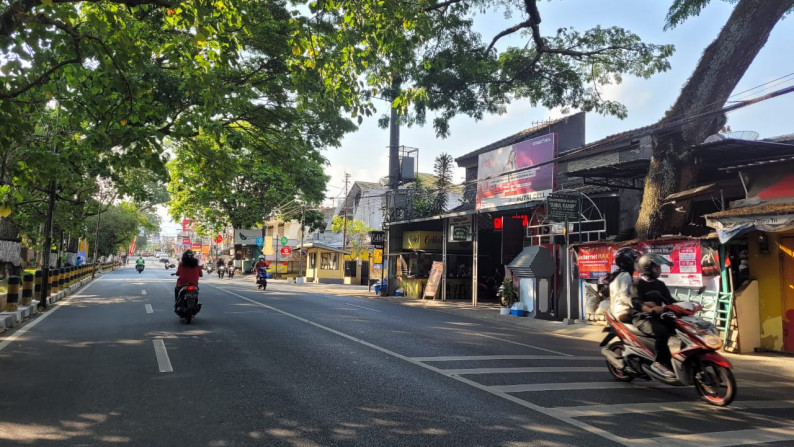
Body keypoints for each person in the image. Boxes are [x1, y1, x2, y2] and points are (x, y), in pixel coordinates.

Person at [631, 253, 678, 379]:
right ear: (647, 268)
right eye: (656, 267)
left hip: (657, 316)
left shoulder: (660, 284)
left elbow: (670, 300)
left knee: (679, 326)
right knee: (662, 332)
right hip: (642, 317)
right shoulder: (638, 284)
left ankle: (673, 360)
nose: (659, 269)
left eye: (659, 267)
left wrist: (686, 306)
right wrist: (649, 309)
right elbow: (635, 302)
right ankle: (658, 362)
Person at [608, 247, 641, 323]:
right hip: (623, 312)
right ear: (629, 262)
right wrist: (641, 305)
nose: (638, 263)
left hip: (617, 310)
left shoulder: (618, 274)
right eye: (636, 261)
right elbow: (624, 297)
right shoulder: (626, 276)